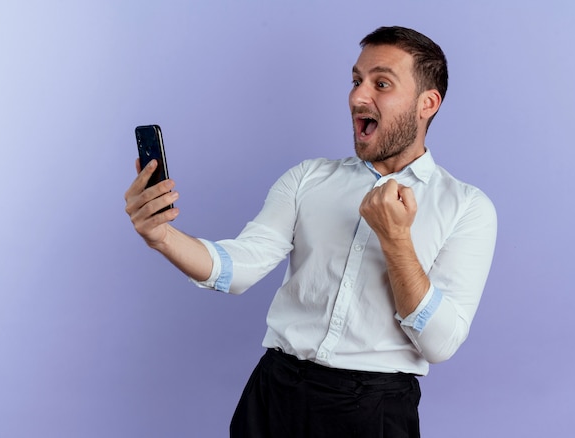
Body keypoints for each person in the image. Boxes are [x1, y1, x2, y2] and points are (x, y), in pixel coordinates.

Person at [125, 25, 497, 438]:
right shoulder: (307, 178)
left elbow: (439, 344)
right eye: (356, 80)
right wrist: (161, 237)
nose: (358, 97)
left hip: (374, 411)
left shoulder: (467, 208)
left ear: (427, 103)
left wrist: (396, 241)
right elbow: (238, 268)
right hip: (273, 395)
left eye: (382, 83)